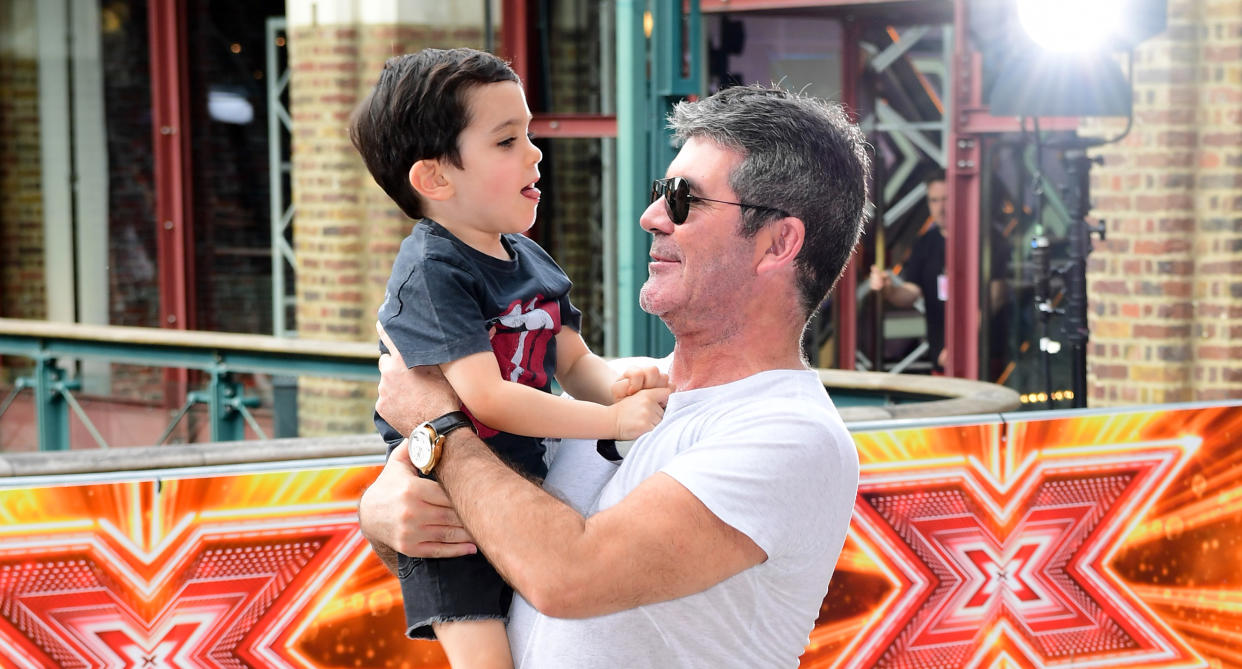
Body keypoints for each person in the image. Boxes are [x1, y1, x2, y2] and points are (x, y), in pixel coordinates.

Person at [360, 84, 869, 668]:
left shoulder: (792, 436)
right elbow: (497, 531)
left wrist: (437, 432)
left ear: (778, 243)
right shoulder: (616, 389)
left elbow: (567, 577)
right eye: (660, 192)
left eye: (684, 199)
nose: (652, 217)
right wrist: (384, 517)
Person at [349, 47, 668, 668]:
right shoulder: (433, 270)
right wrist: (613, 423)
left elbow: (574, 362)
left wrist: (624, 384)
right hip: (449, 513)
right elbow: (485, 398)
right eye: (506, 141)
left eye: (528, 133)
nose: (535, 151)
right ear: (436, 178)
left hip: (524, 486)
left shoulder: (525, 255)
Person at [869, 169, 948, 371]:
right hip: (941, 359)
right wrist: (889, 289)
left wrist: (964, 342)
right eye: (934, 200)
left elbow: (995, 296)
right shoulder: (925, 244)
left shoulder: (984, 240)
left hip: (983, 357)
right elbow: (911, 292)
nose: (941, 208)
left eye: (946, 199)